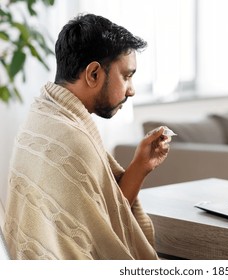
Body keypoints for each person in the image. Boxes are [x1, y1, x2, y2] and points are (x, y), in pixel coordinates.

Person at [3, 14, 170, 260]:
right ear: (93, 74)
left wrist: (140, 166)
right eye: (126, 76)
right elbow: (107, 239)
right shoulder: (71, 140)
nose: (131, 90)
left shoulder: (40, 117)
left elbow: (99, 220)